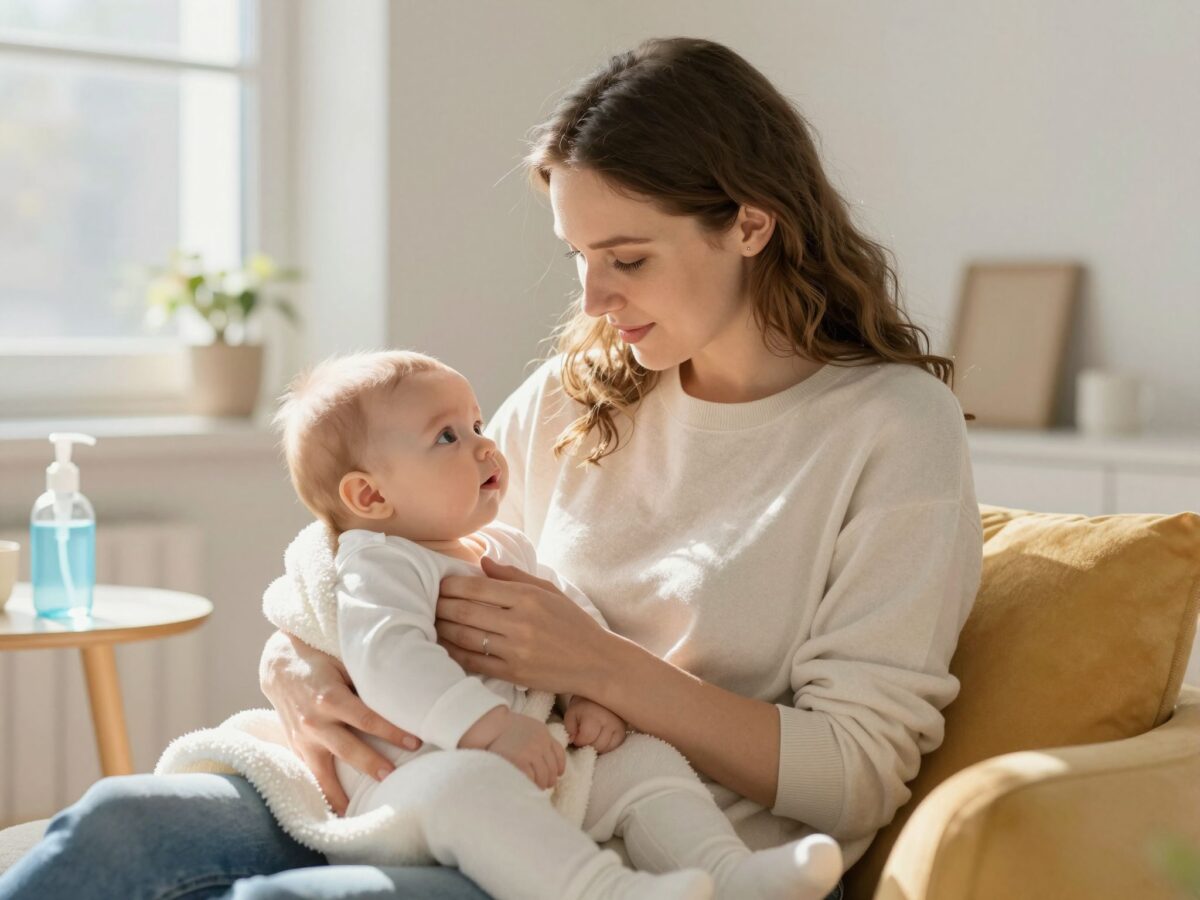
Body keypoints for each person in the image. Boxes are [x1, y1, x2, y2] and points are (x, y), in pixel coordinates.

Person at [0, 36, 982, 900]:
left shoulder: (891, 428)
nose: (595, 299)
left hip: (632, 856)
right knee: (113, 829)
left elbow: (858, 772)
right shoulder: (582, 390)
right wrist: (294, 658)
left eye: (628, 259)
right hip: (447, 783)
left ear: (750, 226)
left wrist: (598, 666)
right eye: (577, 258)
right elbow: (368, 527)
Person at [205, 347, 835, 900]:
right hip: (413, 781)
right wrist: (487, 728)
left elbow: (570, 615)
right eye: (446, 437)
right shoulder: (382, 564)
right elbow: (390, 661)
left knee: (647, 762)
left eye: (476, 423)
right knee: (469, 785)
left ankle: (730, 876)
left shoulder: (496, 545)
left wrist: (590, 693)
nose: (485, 443)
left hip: (531, 754)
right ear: (370, 498)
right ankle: (605, 891)